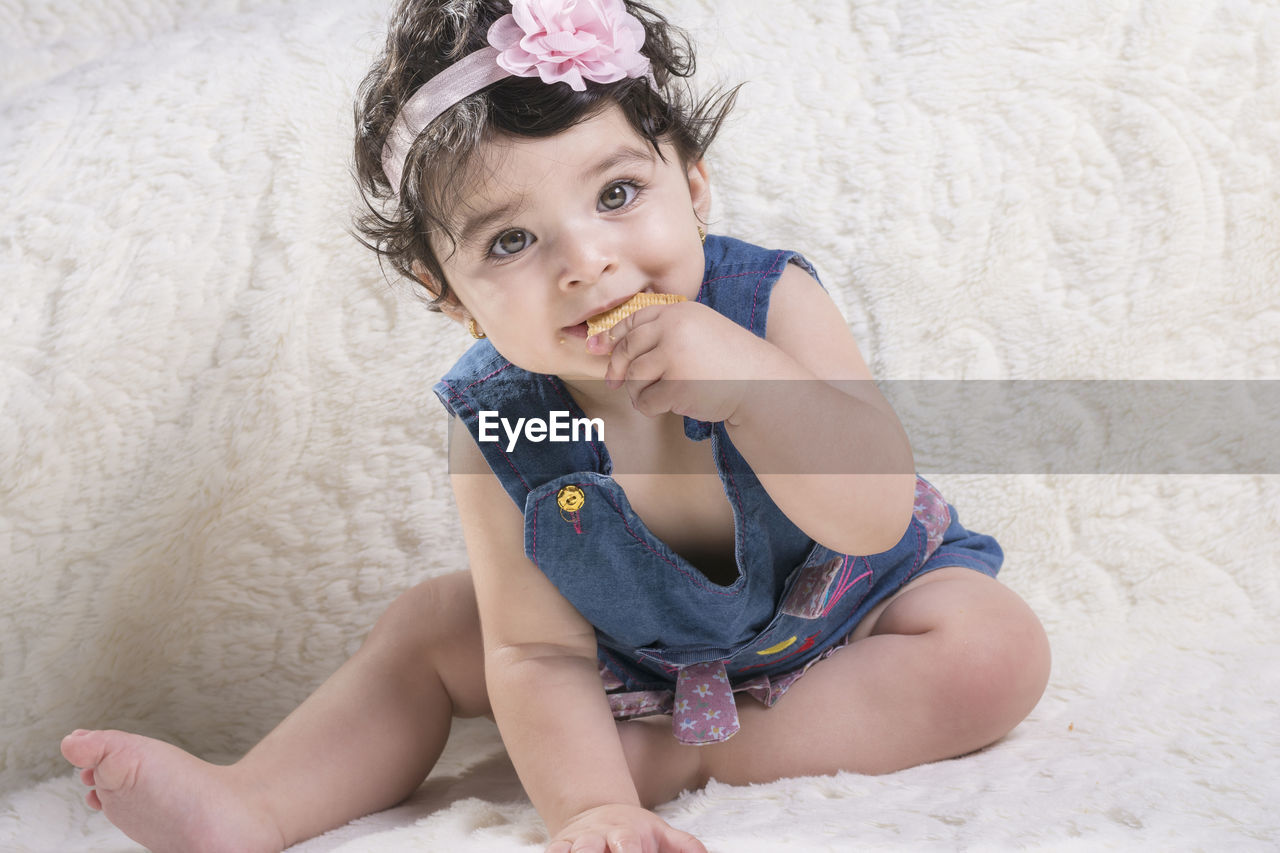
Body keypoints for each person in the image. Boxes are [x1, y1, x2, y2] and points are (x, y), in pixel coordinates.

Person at [60, 1, 1052, 851]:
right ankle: (256, 801)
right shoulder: (510, 422)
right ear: (447, 294)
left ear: (693, 188)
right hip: (640, 654)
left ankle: (662, 756)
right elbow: (536, 653)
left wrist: (751, 385)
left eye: (618, 194)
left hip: (848, 613)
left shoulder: (766, 305)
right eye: (512, 240)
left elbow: (871, 516)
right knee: (433, 627)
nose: (585, 260)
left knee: (988, 651)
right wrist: (588, 810)